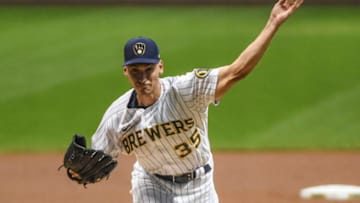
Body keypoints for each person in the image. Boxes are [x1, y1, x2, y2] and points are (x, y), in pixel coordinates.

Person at [90, 0, 303, 202]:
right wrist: (76, 170)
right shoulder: (117, 116)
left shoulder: (186, 90)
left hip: (200, 185)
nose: (143, 77)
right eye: (135, 70)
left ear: (161, 67)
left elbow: (236, 72)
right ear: (125, 71)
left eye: (149, 69)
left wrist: (273, 23)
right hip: (151, 184)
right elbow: (93, 161)